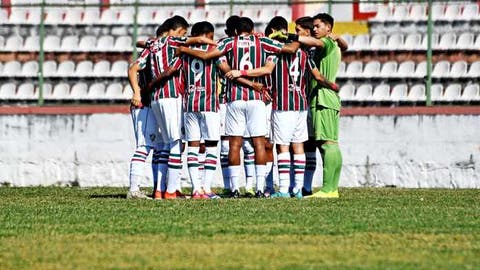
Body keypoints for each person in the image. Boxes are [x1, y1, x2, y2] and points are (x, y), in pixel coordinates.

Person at [177, 17, 301, 198]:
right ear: (252, 30)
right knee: (259, 143)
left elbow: (206, 55)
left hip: (234, 98)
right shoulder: (262, 41)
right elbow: (290, 49)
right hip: (256, 100)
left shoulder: (228, 42)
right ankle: (259, 188)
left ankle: (234, 189)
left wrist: (184, 48)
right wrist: (291, 35)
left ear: (235, 31)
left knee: (234, 144)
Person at [226, 16, 338, 199]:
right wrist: (332, 85)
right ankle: (299, 189)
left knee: (283, 148)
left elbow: (267, 70)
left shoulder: (277, 51)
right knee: (299, 146)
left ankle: (284, 189)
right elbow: (317, 76)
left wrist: (242, 72)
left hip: (283, 104)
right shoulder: (304, 54)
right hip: (301, 104)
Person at [304, 13, 344, 199]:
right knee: (330, 144)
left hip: (323, 98)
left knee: (327, 144)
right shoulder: (334, 43)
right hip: (329, 98)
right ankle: (333, 188)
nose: (314, 29)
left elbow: (319, 43)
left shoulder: (326, 43)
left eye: (318, 26)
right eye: (313, 26)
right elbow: (345, 45)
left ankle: (328, 189)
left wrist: (290, 37)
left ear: (328, 28)